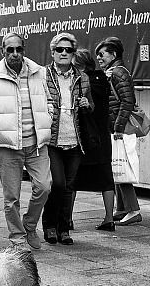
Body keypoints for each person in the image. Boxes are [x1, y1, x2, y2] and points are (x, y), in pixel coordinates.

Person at [0, 33, 54, 250]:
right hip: (8, 147)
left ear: (24, 50)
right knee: (12, 198)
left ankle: (29, 224)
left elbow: (49, 100)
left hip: (36, 144)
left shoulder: (39, 73)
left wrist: (49, 115)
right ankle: (17, 237)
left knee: (44, 187)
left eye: (19, 49)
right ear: (3, 51)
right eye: (10, 50)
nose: (15, 54)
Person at [42, 33, 92, 246]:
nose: (64, 53)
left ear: (73, 53)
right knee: (58, 184)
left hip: (75, 138)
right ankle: (49, 225)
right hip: (52, 139)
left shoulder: (82, 77)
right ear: (53, 52)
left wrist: (86, 105)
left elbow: (92, 106)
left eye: (69, 50)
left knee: (69, 187)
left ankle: (64, 229)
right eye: (60, 50)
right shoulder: (42, 75)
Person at [94, 37, 141, 226]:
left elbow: (127, 101)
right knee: (117, 167)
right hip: (115, 127)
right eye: (97, 54)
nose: (99, 57)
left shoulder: (118, 73)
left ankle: (133, 210)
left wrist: (118, 128)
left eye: (102, 54)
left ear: (113, 55)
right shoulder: (112, 72)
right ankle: (122, 208)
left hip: (119, 129)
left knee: (122, 167)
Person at [72, 49, 116, 230]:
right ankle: (109, 218)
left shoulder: (80, 82)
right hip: (102, 137)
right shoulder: (103, 79)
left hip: (83, 137)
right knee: (106, 178)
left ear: (79, 65)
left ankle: (67, 218)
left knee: (72, 178)